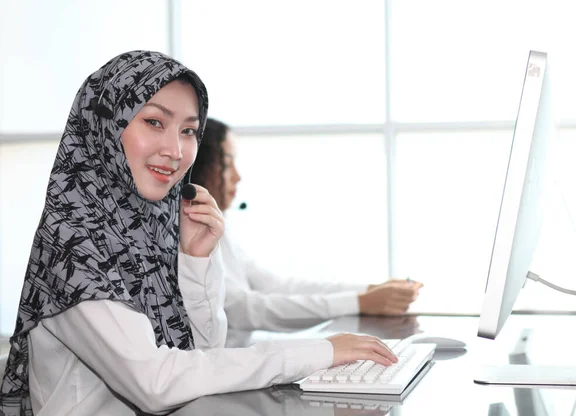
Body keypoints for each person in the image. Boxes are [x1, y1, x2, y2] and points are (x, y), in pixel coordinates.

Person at [0, 51, 398, 416]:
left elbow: (203, 353)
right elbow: (156, 383)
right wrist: (316, 353)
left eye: (189, 131)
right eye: (154, 122)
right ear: (106, 126)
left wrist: (196, 260)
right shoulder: (75, 243)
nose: (175, 150)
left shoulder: (147, 229)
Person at [190, 118, 424, 332]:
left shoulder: (220, 230)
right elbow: (244, 309)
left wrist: (370, 290)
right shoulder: (189, 233)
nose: (238, 177)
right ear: (201, 165)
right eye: (228, 163)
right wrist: (360, 302)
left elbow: (277, 286)